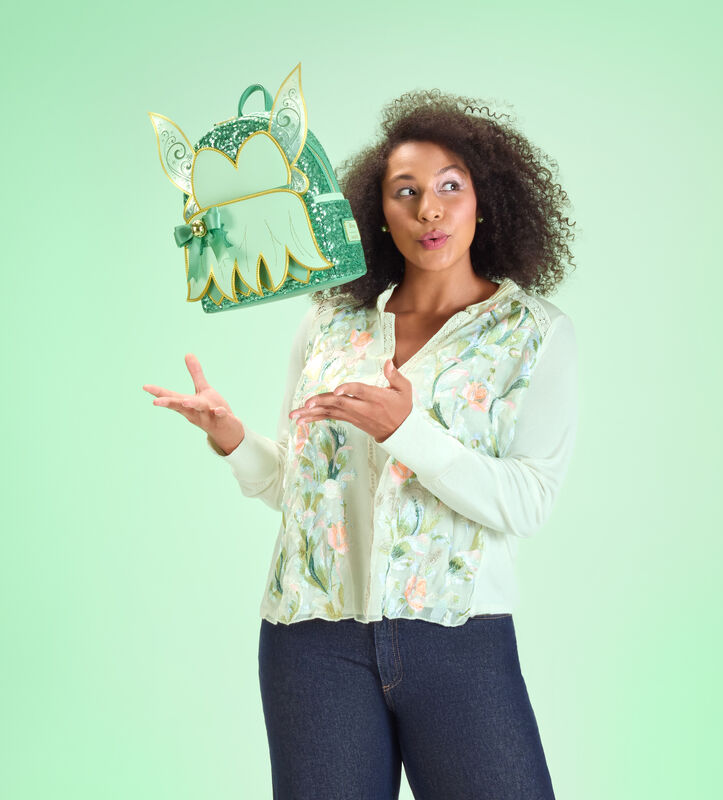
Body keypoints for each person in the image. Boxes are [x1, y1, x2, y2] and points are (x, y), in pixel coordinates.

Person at [143, 89, 578, 800]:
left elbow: (527, 502)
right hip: (310, 643)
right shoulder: (331, 319)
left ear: (485, 198)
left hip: (457, 641)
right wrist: (230, 437)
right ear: (377, 210)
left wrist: (405, 430)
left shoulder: (534, 335)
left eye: (448, 187)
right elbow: (299, 489)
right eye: (405, 192)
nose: (428, 210)